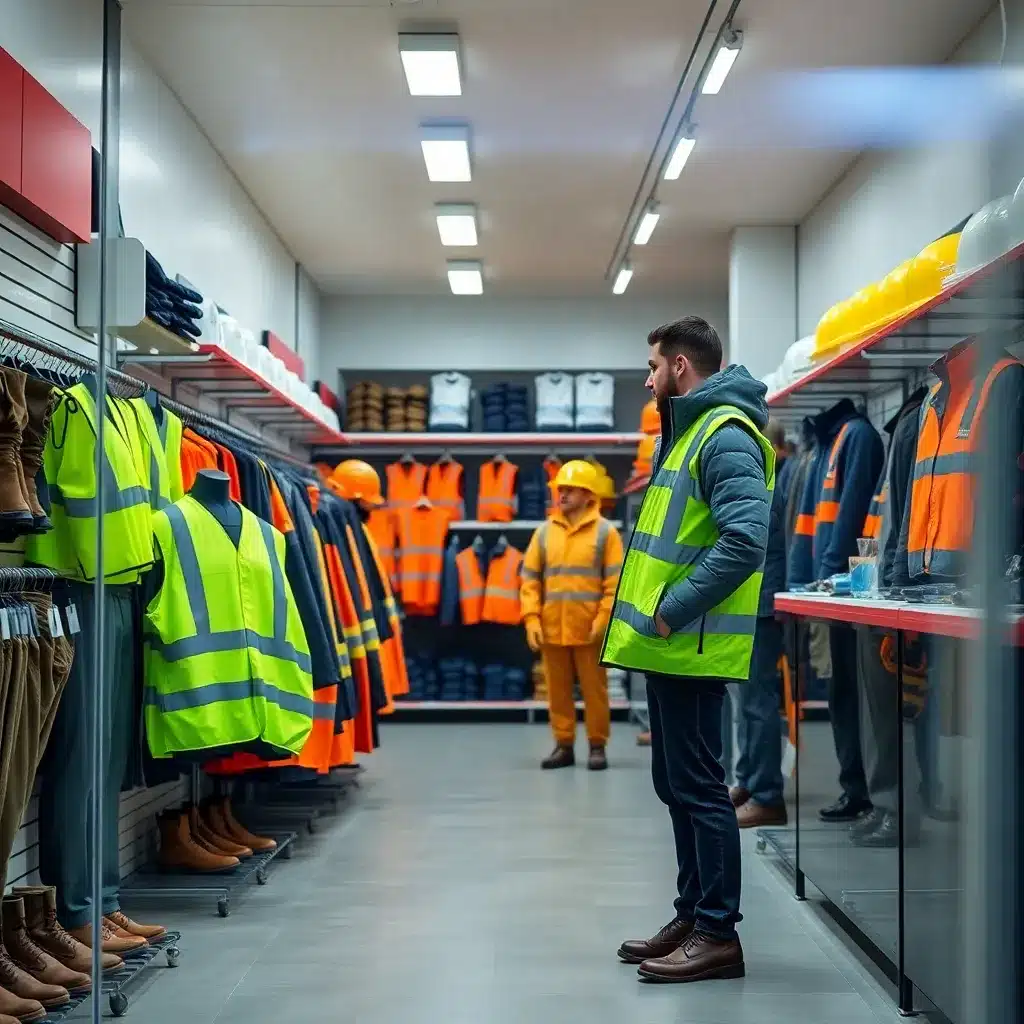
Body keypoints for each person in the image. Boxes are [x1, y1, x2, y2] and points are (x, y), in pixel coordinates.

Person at [604, 316, 773, 984]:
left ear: (679, 366)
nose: (647, 380)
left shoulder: (724, 436)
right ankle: (691, 912)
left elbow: (744, 540)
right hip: (667, 648)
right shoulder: (686, 436)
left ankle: (717, 933)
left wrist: (672, 611)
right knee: (675, 784)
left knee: (702, 790)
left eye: (651, 367)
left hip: (691, 645)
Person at [521, 460, 623, 771]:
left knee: (595, 691)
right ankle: (563, 744)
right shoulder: (543, 534)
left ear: (588, 494)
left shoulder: (606, 534)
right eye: (559, 489)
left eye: (569, 489)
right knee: (558, 692)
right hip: (553, 627)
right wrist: (531, 619)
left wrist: (602, 620)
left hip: (589, 628)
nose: (561, 494)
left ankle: (597, 745)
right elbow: (529, 581)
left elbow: (614, 584)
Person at [728, 418, 788, 828]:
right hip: (752, 601)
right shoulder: (764, 475)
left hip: (762, 603)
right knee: (747, 702)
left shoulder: (768, 479)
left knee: (759, 702)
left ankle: (767, 796)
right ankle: (749, 781)